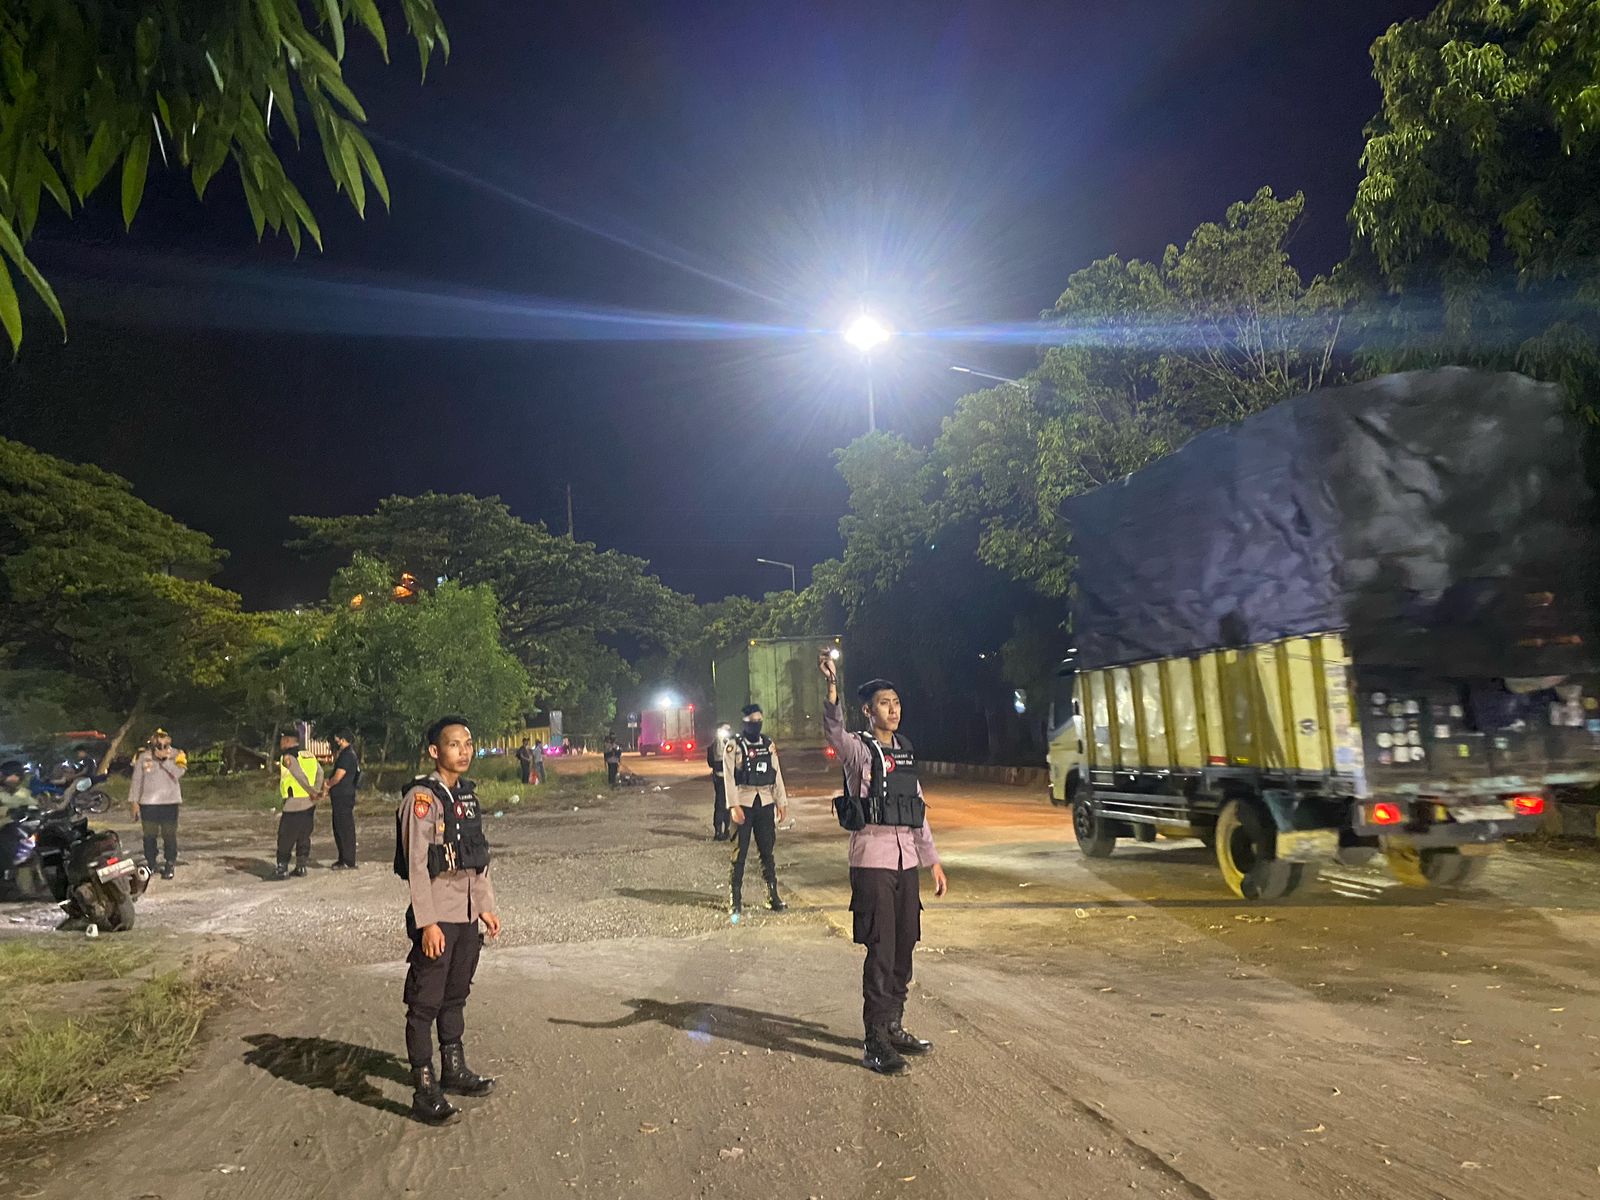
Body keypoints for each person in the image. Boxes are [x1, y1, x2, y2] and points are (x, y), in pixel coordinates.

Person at [820, 653, 948, 1076]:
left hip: (905, 862)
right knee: (881, 948)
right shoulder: (858, 751)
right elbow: (834, 732)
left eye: (896, 703)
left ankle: (893, 1025)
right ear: (868, 710)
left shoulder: (905, 752)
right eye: (884, 704)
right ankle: (874, 1040)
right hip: (872, 860)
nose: (893, 710)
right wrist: (832, 688)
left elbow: (917, 810)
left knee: (905, 942)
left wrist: (932, 861)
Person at [396, 715, 502, 1125]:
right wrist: (427, 924)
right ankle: (424, 1089)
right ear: (434, 751)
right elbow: (417, 866)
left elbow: (478, 857)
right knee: (424, 1004)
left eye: (468, 743)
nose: (464, 751)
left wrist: (485, 906)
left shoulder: (467, 798)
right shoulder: (422, 800)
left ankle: (453, 1070)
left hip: (467, 916)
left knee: (456, 995)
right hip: (438, 917)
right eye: (454, 744)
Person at [720, 703, 788, 920]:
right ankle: (735, 899)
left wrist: (781, 802)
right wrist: (733, 806)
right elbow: (729, 778)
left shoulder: (767, 744)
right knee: (739, 852)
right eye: (752, 721)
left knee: (767, 851)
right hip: (743, 803)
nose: (756, 724)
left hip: (765, 803)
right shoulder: (734, 746)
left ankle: (772, 895)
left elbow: (776, 773)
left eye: (759, 721)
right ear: (745, 723)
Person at [129, 729, 187, 881]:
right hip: (148, 804)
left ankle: (170, 863)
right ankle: (151, 863)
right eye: (157, 739)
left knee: (169, 835)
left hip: (169, 803)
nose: (160, 742)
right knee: (149, 836)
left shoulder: (177, 754)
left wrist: (165, 760)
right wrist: (134, 802)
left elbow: (178, 773)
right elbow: (137, 780)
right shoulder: (143, 756)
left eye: (163, 739)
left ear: (169, 739)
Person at [275, 732, 324, 880]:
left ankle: (282, 868)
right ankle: (301, 866)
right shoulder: (309, 755)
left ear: (287, 740)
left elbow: (298, 774)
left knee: (286, 836)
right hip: (309, 803)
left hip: (294, 803)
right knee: (303, 835)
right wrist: (316, 792)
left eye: (282, 740)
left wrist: (312, 791)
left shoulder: (288, 756)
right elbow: (320, 773)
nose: (280, 744)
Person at [327, 731, 362, 869]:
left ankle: (348, 860)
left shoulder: (347, 756)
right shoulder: (349, 754)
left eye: (337, 740)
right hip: (343, 796)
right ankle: (343, 858)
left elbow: (338, 776)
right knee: (339, 828)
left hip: (343, 796)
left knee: (344, 828)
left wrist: (328, 785)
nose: (336, 743)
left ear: (342, 740)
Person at [707, 725, 731, 841]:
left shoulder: (726, 742)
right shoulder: (718, 743)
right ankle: (720, 831)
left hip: (725, 777)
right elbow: (716, 760)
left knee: (726, 804)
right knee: (722, 804)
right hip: (721, 777)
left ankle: (726, 830)